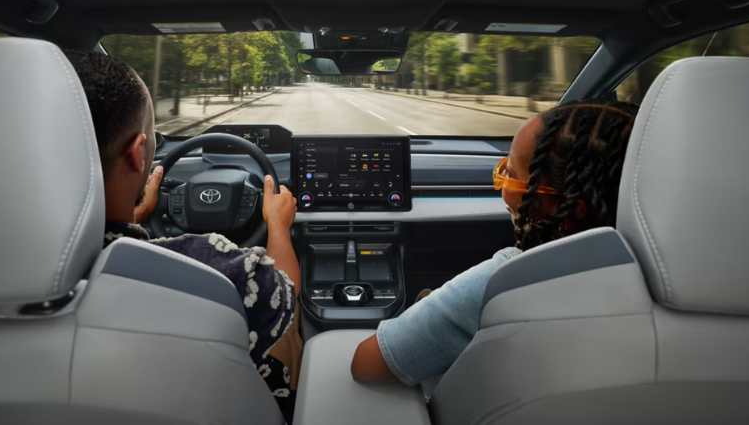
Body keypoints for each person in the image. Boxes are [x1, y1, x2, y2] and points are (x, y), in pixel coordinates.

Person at [62, 48, 302, 421]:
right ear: (138, 155)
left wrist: (134, 219)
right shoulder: (210, 264)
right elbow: (284, 283)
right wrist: (278, 226)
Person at [350, 99, 639, 385]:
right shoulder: (662, 276)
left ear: (569, 212)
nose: (500, 183)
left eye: (510, 175)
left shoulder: (508, 282)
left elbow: (367, 365)